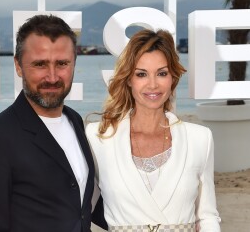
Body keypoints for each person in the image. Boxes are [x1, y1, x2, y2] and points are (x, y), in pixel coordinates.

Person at [0, 14, 103, 232]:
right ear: (18, 66)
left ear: (74, 64)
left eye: (62, 63)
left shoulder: (75, 121)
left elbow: (83, 202)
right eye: (40, 64)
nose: (52, 77)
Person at [86, 29, 221, 232]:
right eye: (141, 74)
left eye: (162, 73)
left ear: (172, 78)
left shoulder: (200, 139)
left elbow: (207, 215)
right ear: (129, 79)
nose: (152, 85)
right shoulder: (98, 138)